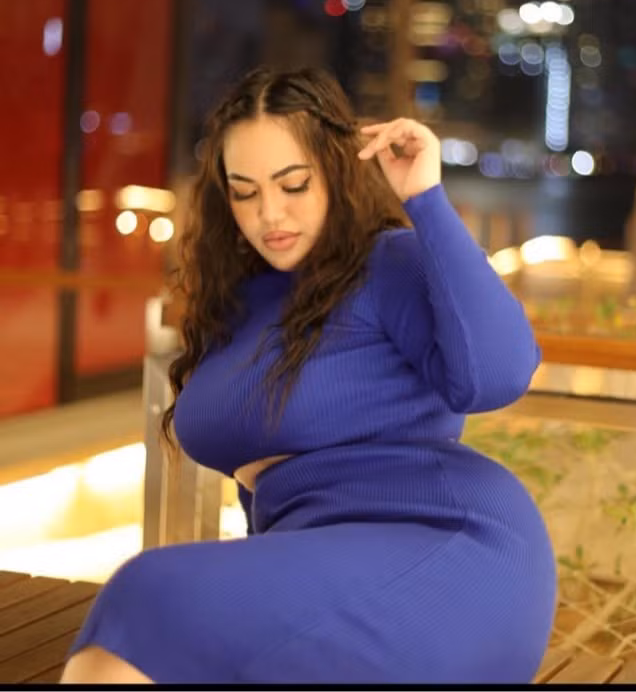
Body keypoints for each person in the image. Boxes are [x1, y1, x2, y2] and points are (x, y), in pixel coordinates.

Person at [61, 66, 557, 684]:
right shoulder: (239, 298)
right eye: (244, 192)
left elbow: (498, 375)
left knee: (146, 594)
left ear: (335, 169)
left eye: (293, 183)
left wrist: (426, 197)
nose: (269, 213)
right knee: (158, 622)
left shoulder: (388, 262)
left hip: (451, 549)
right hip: (323, 556)